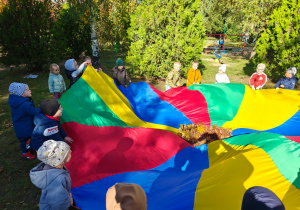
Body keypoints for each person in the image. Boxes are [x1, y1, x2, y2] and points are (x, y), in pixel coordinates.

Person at [30, 140, 75, 209]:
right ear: (61, 160)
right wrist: (68, 201)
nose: (71, 151)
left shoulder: (52, 166)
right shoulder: (57, 180)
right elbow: (59, 202)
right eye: (68, 152)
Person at [8, 82, 40, 159]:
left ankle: (30, 147)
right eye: (28, 90)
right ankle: (25, 152)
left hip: (22, 124)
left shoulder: (18, 101)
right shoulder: (24, 104)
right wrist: (41, 108)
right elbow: (33, 112)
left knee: (28, 138)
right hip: (24, 127)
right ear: (22, 94)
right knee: (25, 140)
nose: (30, 91)